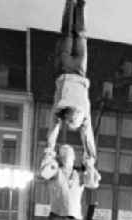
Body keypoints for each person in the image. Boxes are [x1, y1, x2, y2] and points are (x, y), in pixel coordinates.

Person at [40, 0, 96, 179]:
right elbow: (52, 133)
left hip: (79, 71)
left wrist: (91, 159)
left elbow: (88, 140)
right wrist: (90, 162)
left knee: (80, 36)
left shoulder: (84, 115)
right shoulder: (59, 112)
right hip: (66, 70)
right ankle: (72, 5)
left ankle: (79, 6)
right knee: (67, 34)